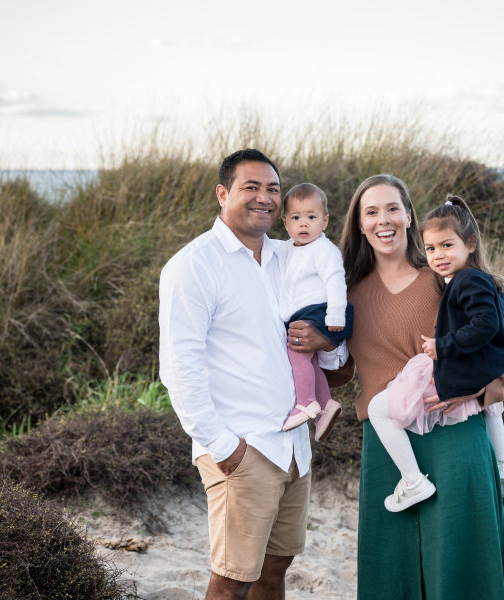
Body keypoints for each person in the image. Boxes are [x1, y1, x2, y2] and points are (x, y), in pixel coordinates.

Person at [295, 174, 504, 599]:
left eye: (393, 208)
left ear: (409, 217)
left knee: (462, 564)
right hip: (388, 447)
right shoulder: (344, 295)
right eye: (371, 212)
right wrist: (320, 341)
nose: (384, 220)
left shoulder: (443, 277)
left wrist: (468, 389)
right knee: (391, 569)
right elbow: (335, 372)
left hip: (455, 436)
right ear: (359, 224)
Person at [158, 149, 345, 600]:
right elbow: (178, 369)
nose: (265, 198)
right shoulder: (193, 265)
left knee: (276, 567)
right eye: (252, 187)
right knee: (232, 580)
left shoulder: (290, 255)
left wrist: (327, 341)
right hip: (244, 447)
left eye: (273, 190)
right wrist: (224, 449)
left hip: (294, 444)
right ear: (223, 194)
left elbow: (331, 306)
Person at [367, 195, 504, 512]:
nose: (438, 255)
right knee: (494, 410)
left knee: (379, 409)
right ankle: (503, 466)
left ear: (469, 244)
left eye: (446, 246)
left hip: (460, 365)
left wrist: (443, 345)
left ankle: (413, 481)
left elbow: (485, 324)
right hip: (486, 367)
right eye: (430, 249)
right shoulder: (481, 278)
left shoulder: (467, 279)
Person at [278, 183, 351, 441]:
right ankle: (326, 404)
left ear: (325, 221)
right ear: (285, 222)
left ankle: (307, 402)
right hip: (301, 313)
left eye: (311, 217)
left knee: (296, 351)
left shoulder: (323, 249)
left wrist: (335, 316)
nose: (303, 224)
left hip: (319, 311)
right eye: (296, 218)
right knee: (310, 360)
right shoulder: (287, 248)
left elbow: (335, 280)